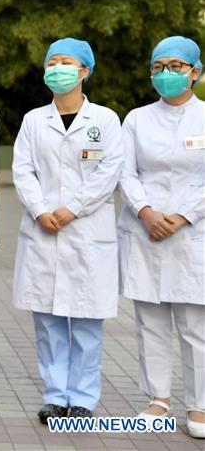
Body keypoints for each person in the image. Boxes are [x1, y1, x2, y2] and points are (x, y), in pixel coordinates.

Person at [12, 38, 122, 423]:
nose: (58, 68)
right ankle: (56, 396)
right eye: (52, 62)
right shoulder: (32, 120)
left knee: (88, 326)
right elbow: (22, 170)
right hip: (43, 231)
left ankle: (84, 400)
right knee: (49, 325)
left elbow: (110, 172)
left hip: (88, 233)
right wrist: (42, 210)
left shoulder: (106, 120)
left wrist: (71, 209)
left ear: (85, 71)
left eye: (67, 62)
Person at [118, 36, 204, 438]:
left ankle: (199, 406)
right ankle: (158, 399)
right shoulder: (136, 118)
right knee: (150, 323)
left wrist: (184, 216)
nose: (166, 74)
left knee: (194, 327)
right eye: (158, 67)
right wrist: (148, 213)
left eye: (176, 66)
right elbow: (126, 172)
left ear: (195, 73)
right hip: (145, 230)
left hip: (193, 235)